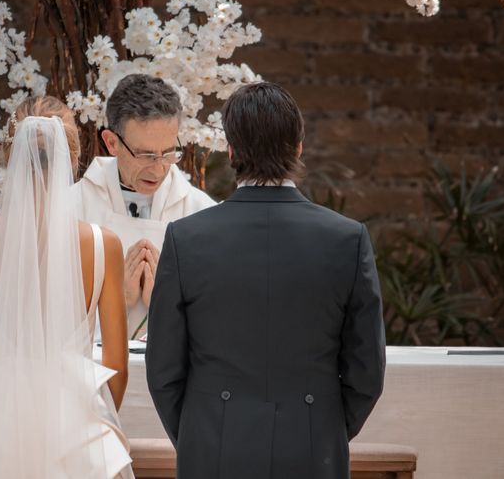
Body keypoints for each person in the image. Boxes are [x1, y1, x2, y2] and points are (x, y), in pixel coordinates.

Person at [145, 82, 386, 479]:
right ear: (298, 148)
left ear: (233, 151)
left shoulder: (186, 239)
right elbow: (366, 371)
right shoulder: (347, 238)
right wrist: (322, 426)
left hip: (212, 441)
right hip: (313, 444)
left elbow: (164, 370)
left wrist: (200, 431)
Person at [0, 97, 134, 478]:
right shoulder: (103, 246)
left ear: (9, 156)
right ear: (74, 157)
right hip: (77, 422)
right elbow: (117, 367)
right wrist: (91, 421)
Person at [73, 74, 215, 338]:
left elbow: (218, 321)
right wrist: (117, 299)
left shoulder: (201, 212)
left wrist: (166, 304)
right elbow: (47, 317)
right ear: (112, 142)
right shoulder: (72, 208)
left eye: (169, 152)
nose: (159, 168)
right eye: (147, 155)